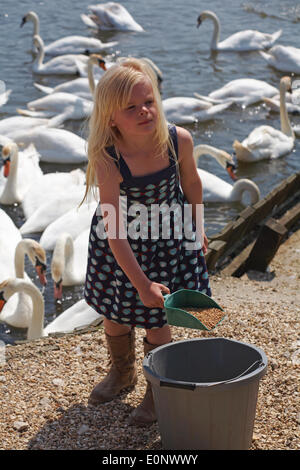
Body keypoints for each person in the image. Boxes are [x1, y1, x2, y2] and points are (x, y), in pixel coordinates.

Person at [82, 57, 211, 426]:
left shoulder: (177, 140)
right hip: (119, 245)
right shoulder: (108, 158)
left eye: (148, 102)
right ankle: (121, 372)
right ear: (111, 118)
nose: (144, 112)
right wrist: (139, 282)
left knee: (158, 317)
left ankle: (157, 390)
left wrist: (197, 225)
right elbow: (114, 229)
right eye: (131, 108)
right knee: (115, 312)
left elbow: (193, 183)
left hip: (167, 240)